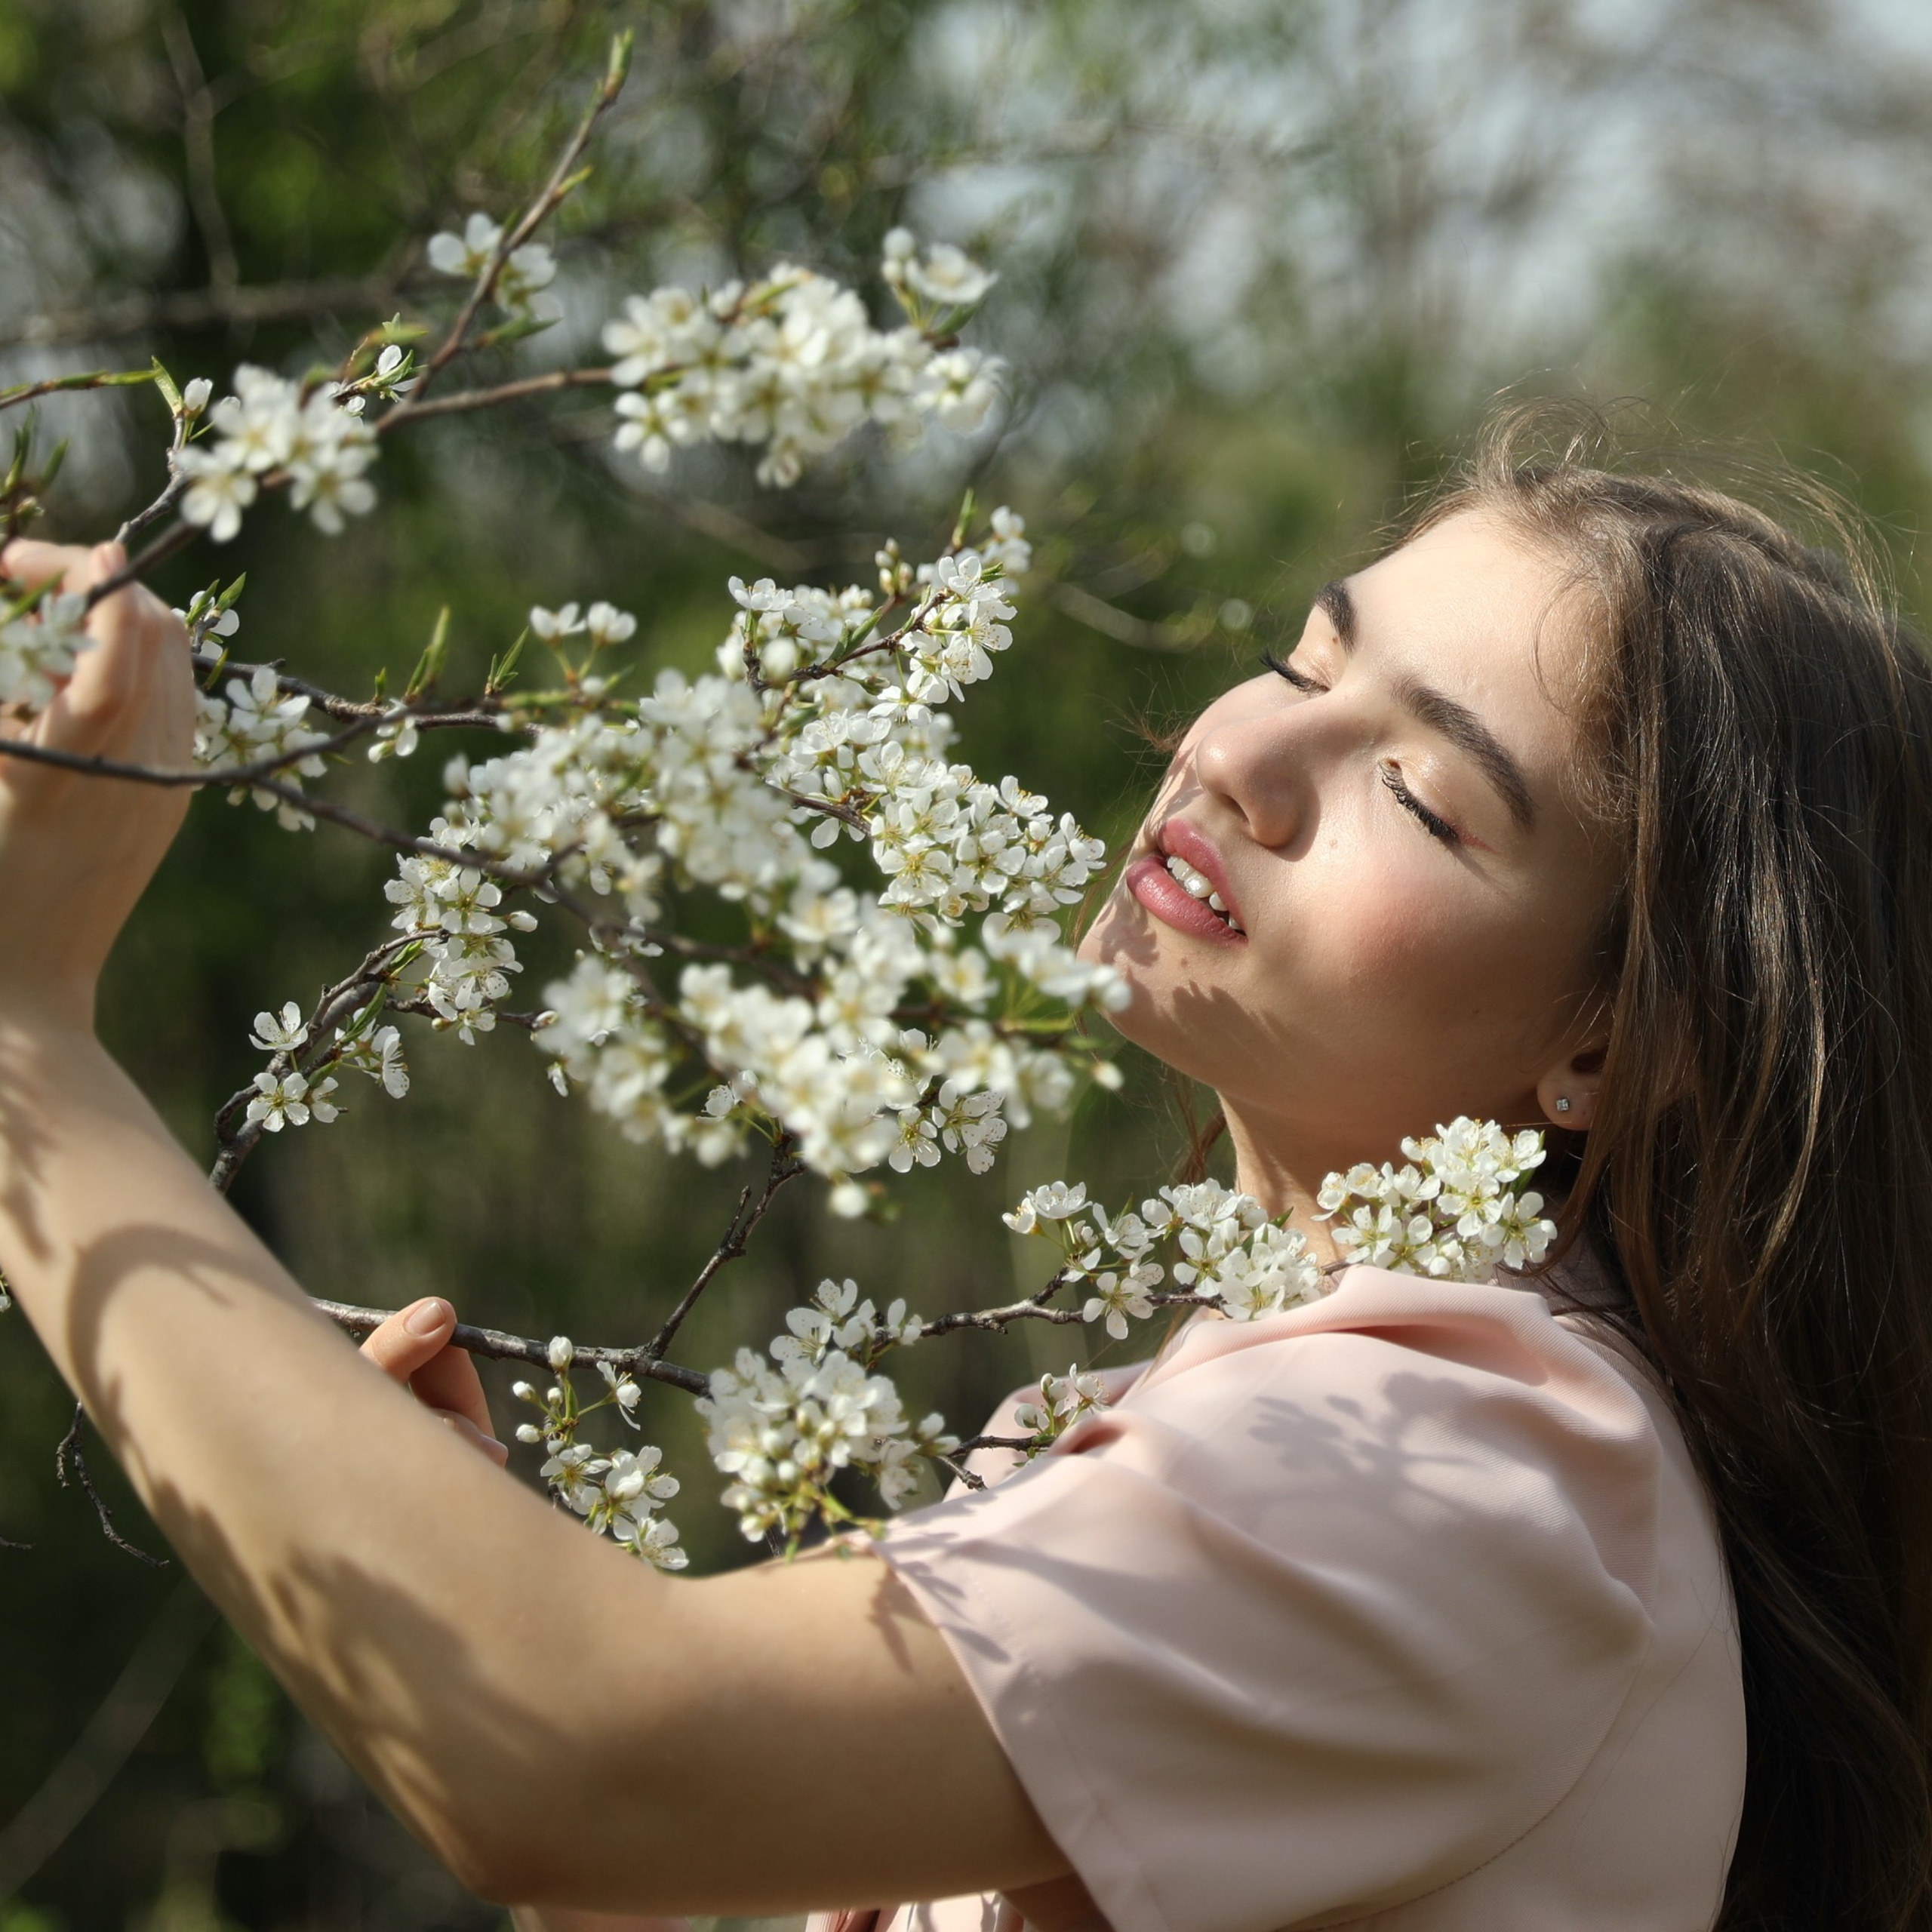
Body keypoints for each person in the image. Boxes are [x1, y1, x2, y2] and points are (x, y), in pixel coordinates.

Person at [2, 409, 1929, 1932]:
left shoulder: (1468, 1478)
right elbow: (580, 1790)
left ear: (1608, 1041)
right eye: (1299, 653)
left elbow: (571, 1747)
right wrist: (611, 1870)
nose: (1248, 751)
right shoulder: (1142, 1438)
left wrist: (29, 1037)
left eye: (1418, 792)